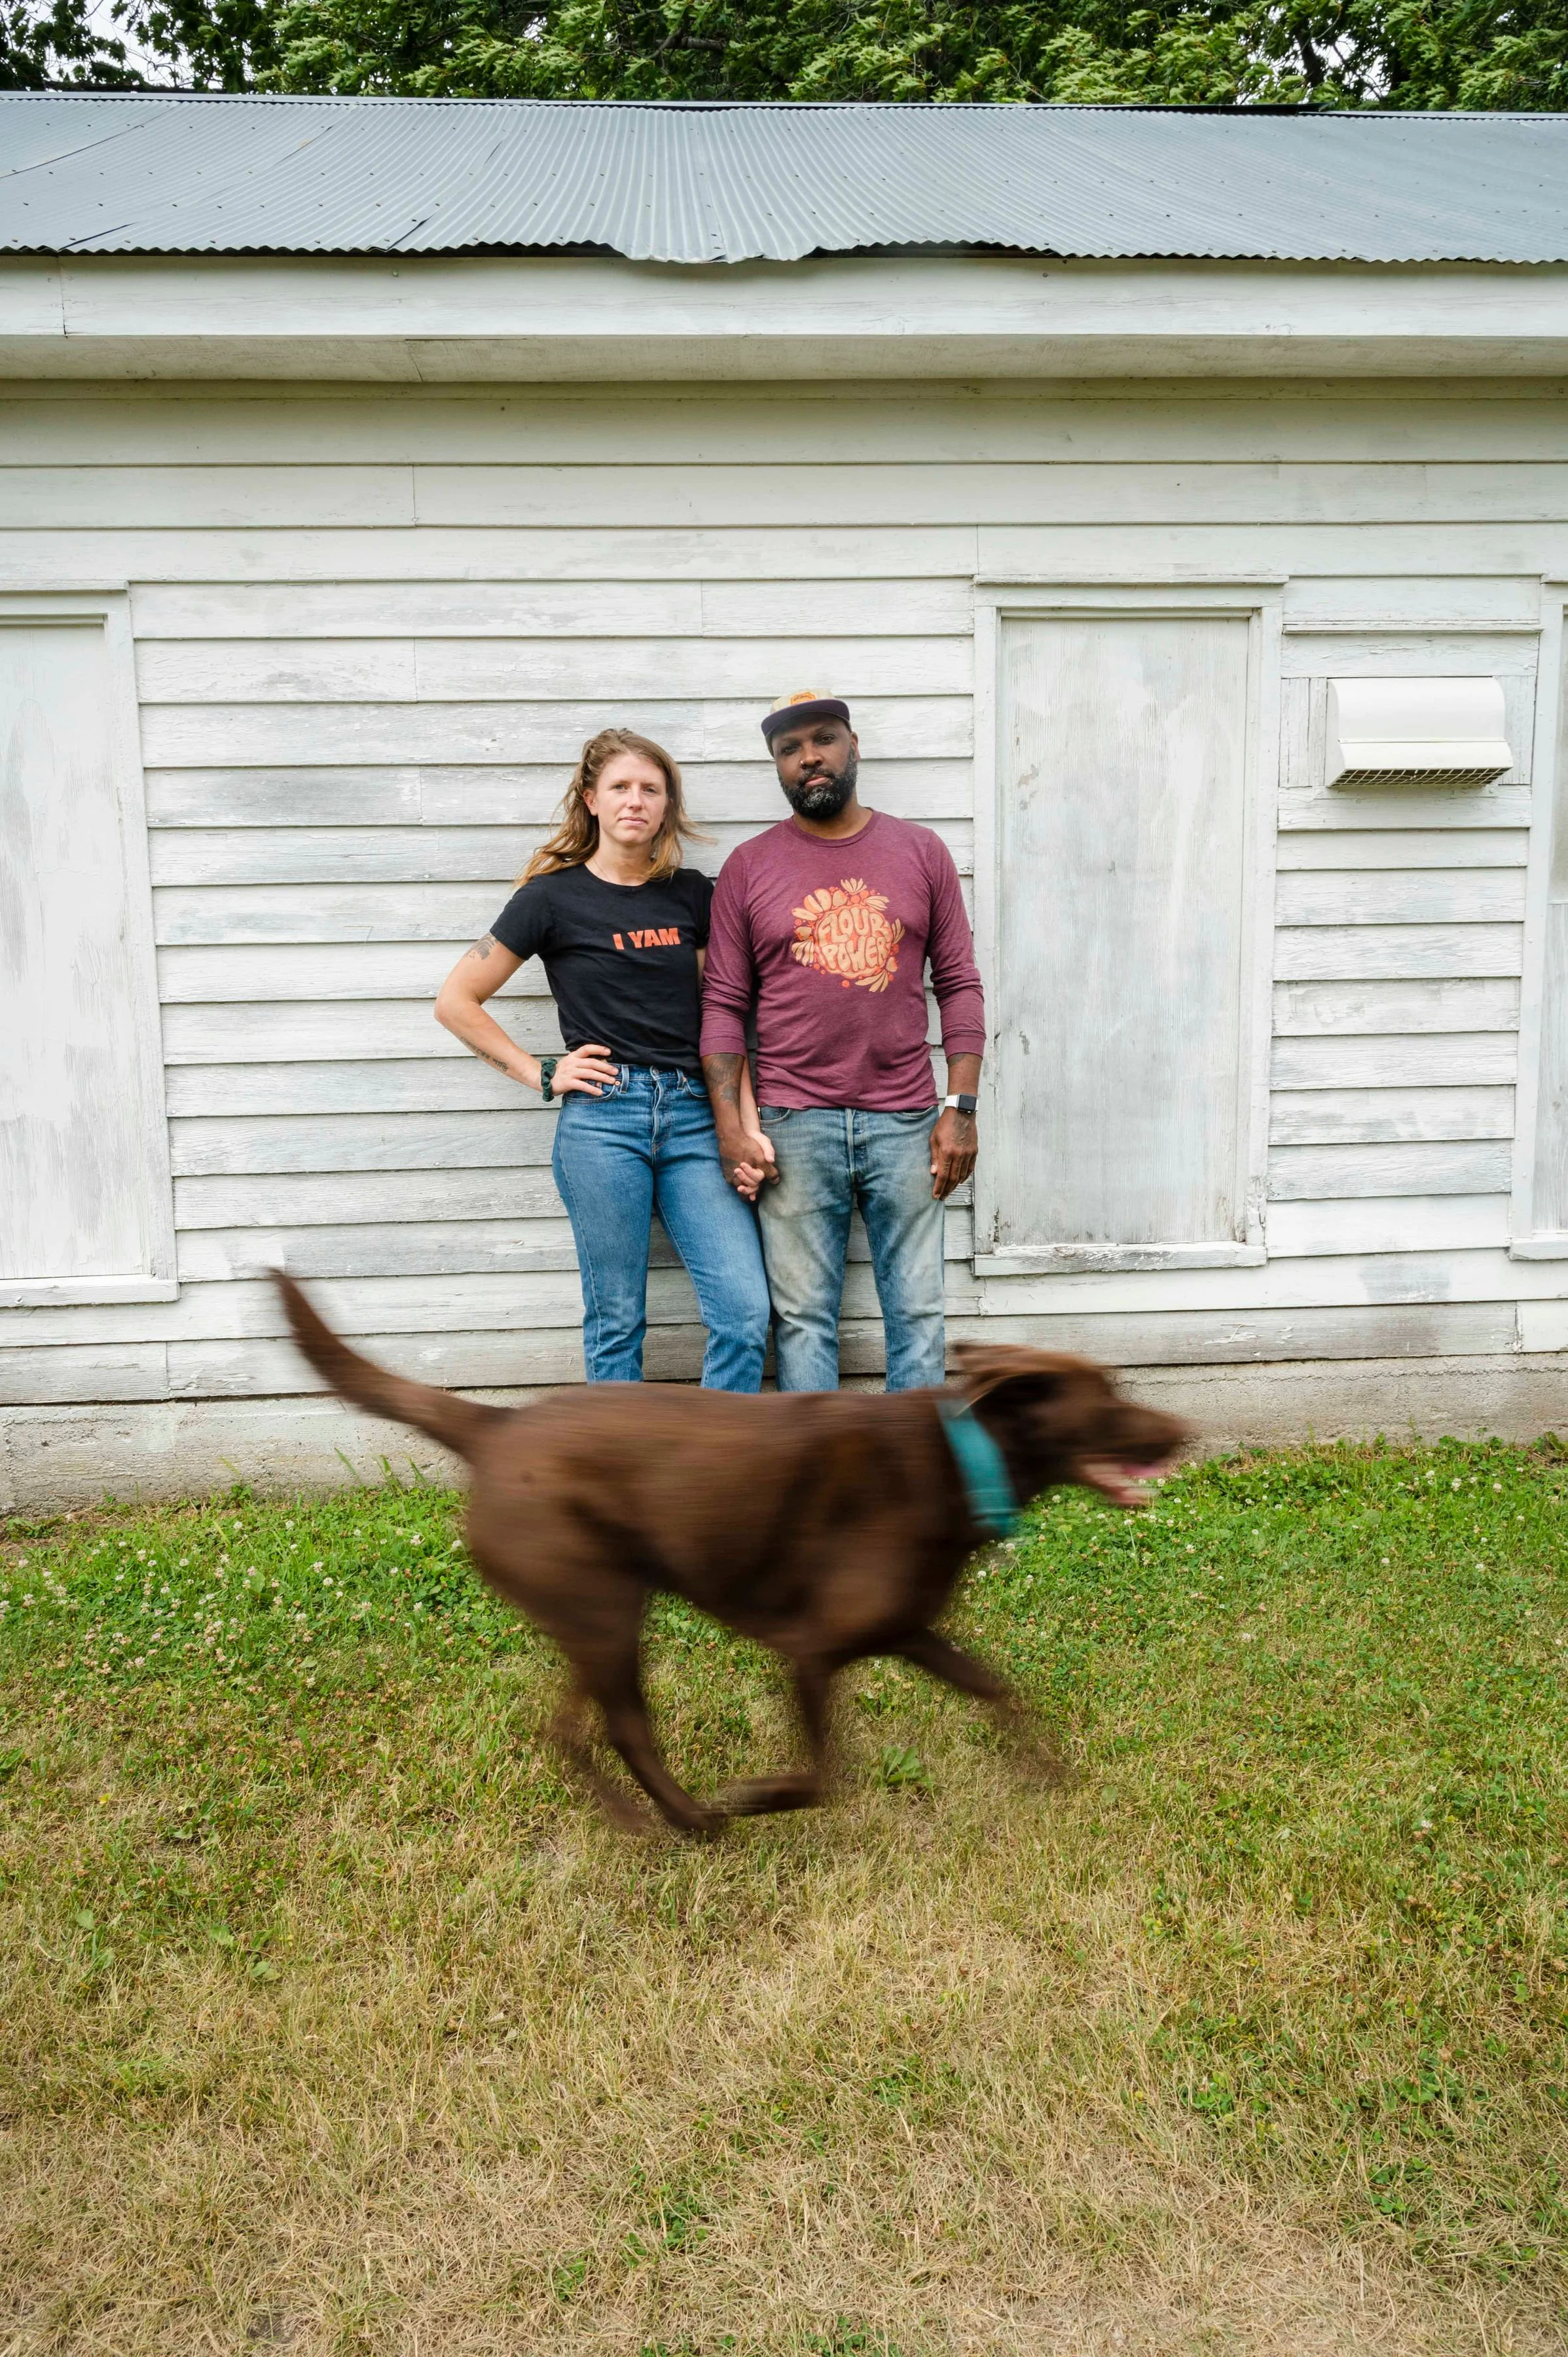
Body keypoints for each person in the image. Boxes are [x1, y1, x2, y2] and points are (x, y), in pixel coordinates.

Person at [435, 727, 772, 1390]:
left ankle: (716, 1466)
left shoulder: (693, 895)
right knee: (616, 1319)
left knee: (743, 1311)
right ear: (591, 799)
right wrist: (542, 1073)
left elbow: (723, 1020)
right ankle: (618, 1481)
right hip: (602, 1121)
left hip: (695, 1118)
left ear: (667, 805)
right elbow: (456, 1001)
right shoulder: (550, 899)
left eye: (651, 789)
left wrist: (746, 1125)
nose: (635, 801)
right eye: (620, 787)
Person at [700, 693, 985, 1393]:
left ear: (853, 746)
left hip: (908, 1122)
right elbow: (723, 1003)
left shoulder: (920, 852)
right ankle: (822, 1486)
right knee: (802, 1320)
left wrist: (962, 1109)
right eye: (789, 750)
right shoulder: (748, 866)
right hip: (793, 1124)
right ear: (778, 767)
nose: (809, 758)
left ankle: (912, 1478)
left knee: (917, 1314)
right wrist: (731, 1127)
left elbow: (960, 984)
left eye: (823, 740)